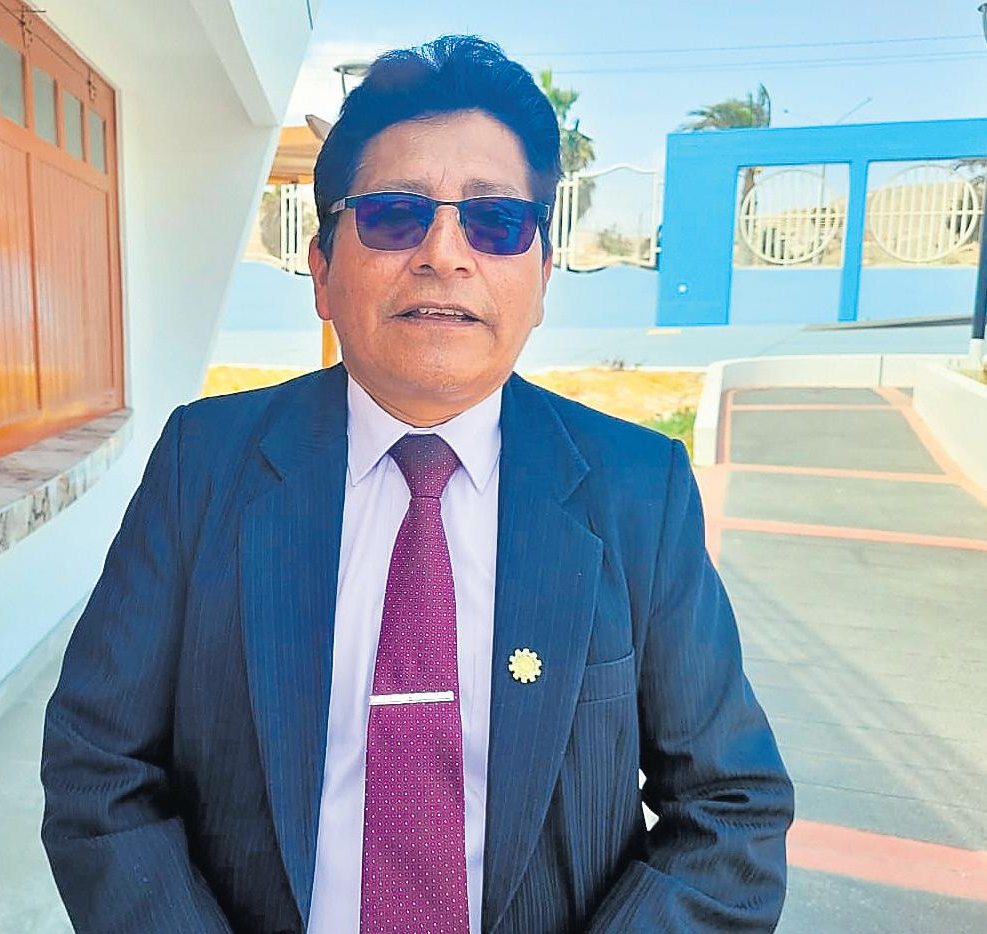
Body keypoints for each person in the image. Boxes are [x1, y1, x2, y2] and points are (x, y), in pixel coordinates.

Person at [39, 34, 794, 934]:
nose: (444, 252)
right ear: (323, 272)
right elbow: (98, 766)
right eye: (395, 215)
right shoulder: (204, 464)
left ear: (542, 277)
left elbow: (730, 808)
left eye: (496, 221)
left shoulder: (639, 491)